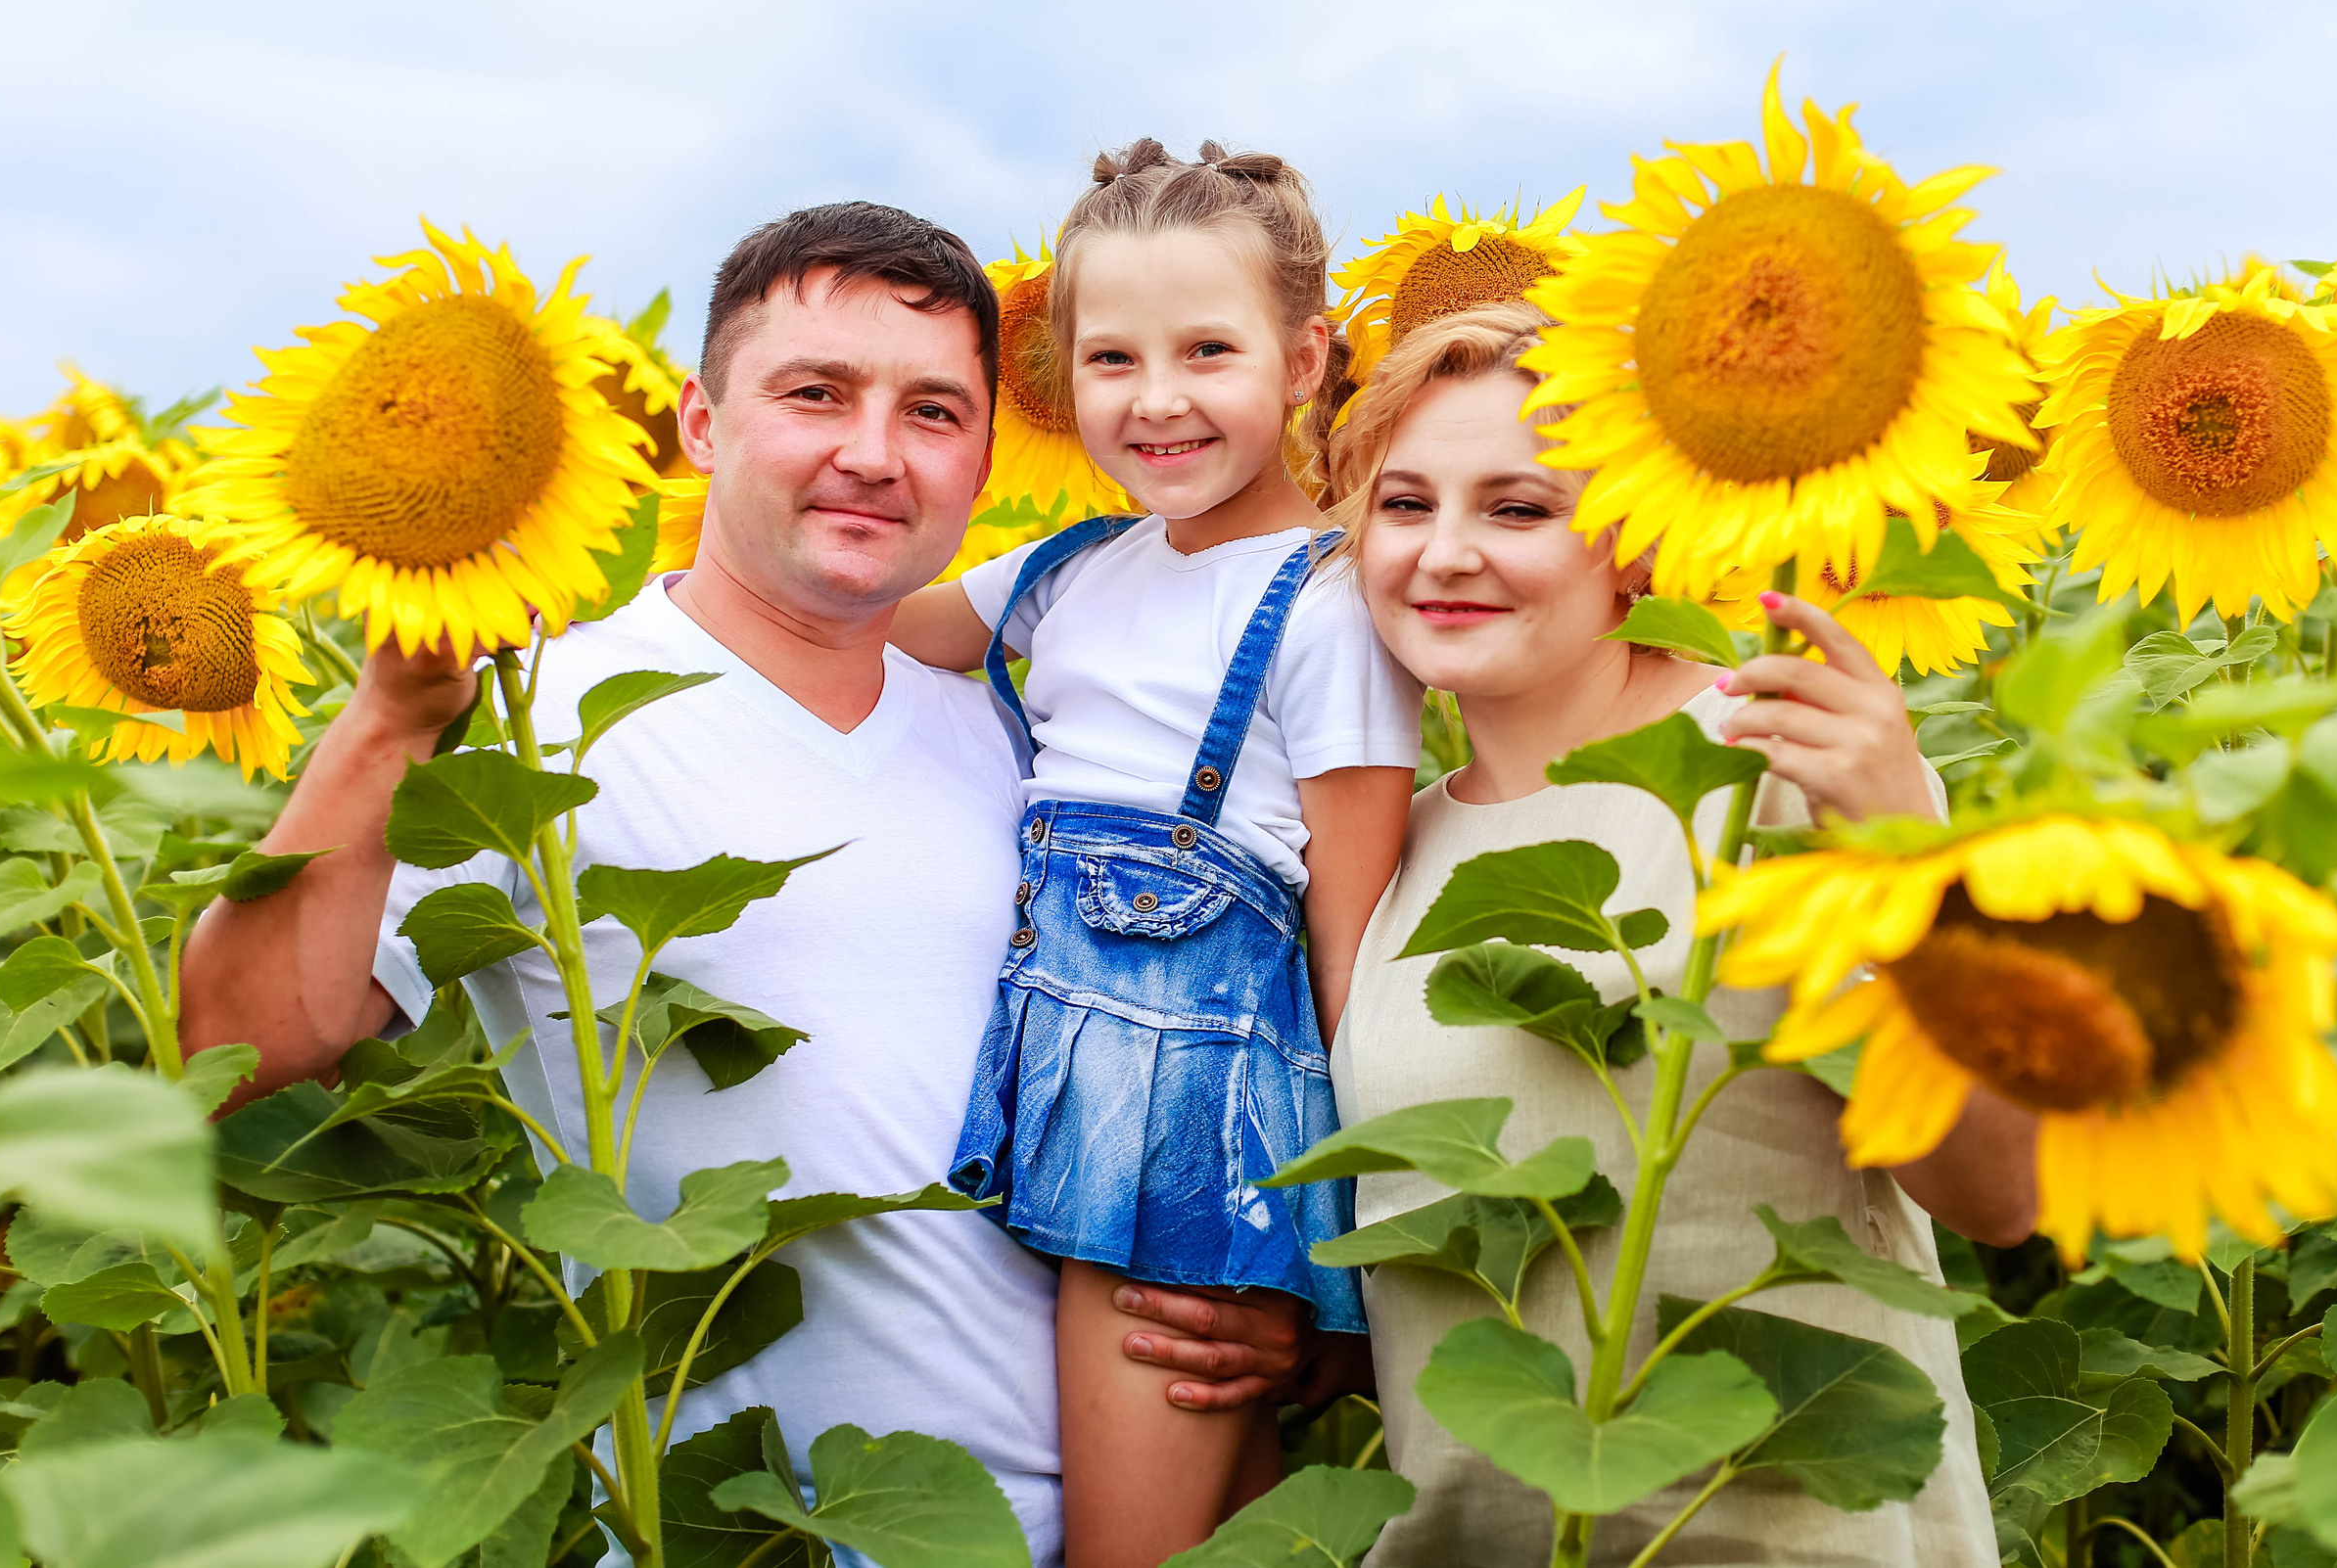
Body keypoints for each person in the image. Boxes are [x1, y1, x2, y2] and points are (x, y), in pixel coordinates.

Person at [185, 203, 1082, 1560]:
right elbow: (246, 1049)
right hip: (740, 1532)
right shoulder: (543, 717)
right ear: (702, 424)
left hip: (1091, 1527)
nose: (872, 453)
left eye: (935, 412)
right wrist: (390, 718)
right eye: (815, 393)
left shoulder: (1022, 737)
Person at [1313, 300, 2036, 1563]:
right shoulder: (1388, 847)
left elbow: (1998, 1191)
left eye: (1519, 508)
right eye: (1404, 503)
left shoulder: (1775, 765)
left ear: (1637, 547)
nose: (1444, 553)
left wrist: (1910, 879)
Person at [886, 139, 1420, 1565]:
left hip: (1186, 1149)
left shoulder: (1325, 611)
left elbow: (1352, 957)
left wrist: (1350, 1286)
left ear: (1305, 359)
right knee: (1222, 1541)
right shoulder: (1062, 575)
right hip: (1063, 1097)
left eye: (1208, 349)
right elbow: (847, 620)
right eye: (1112, 358)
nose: (1158, 398)